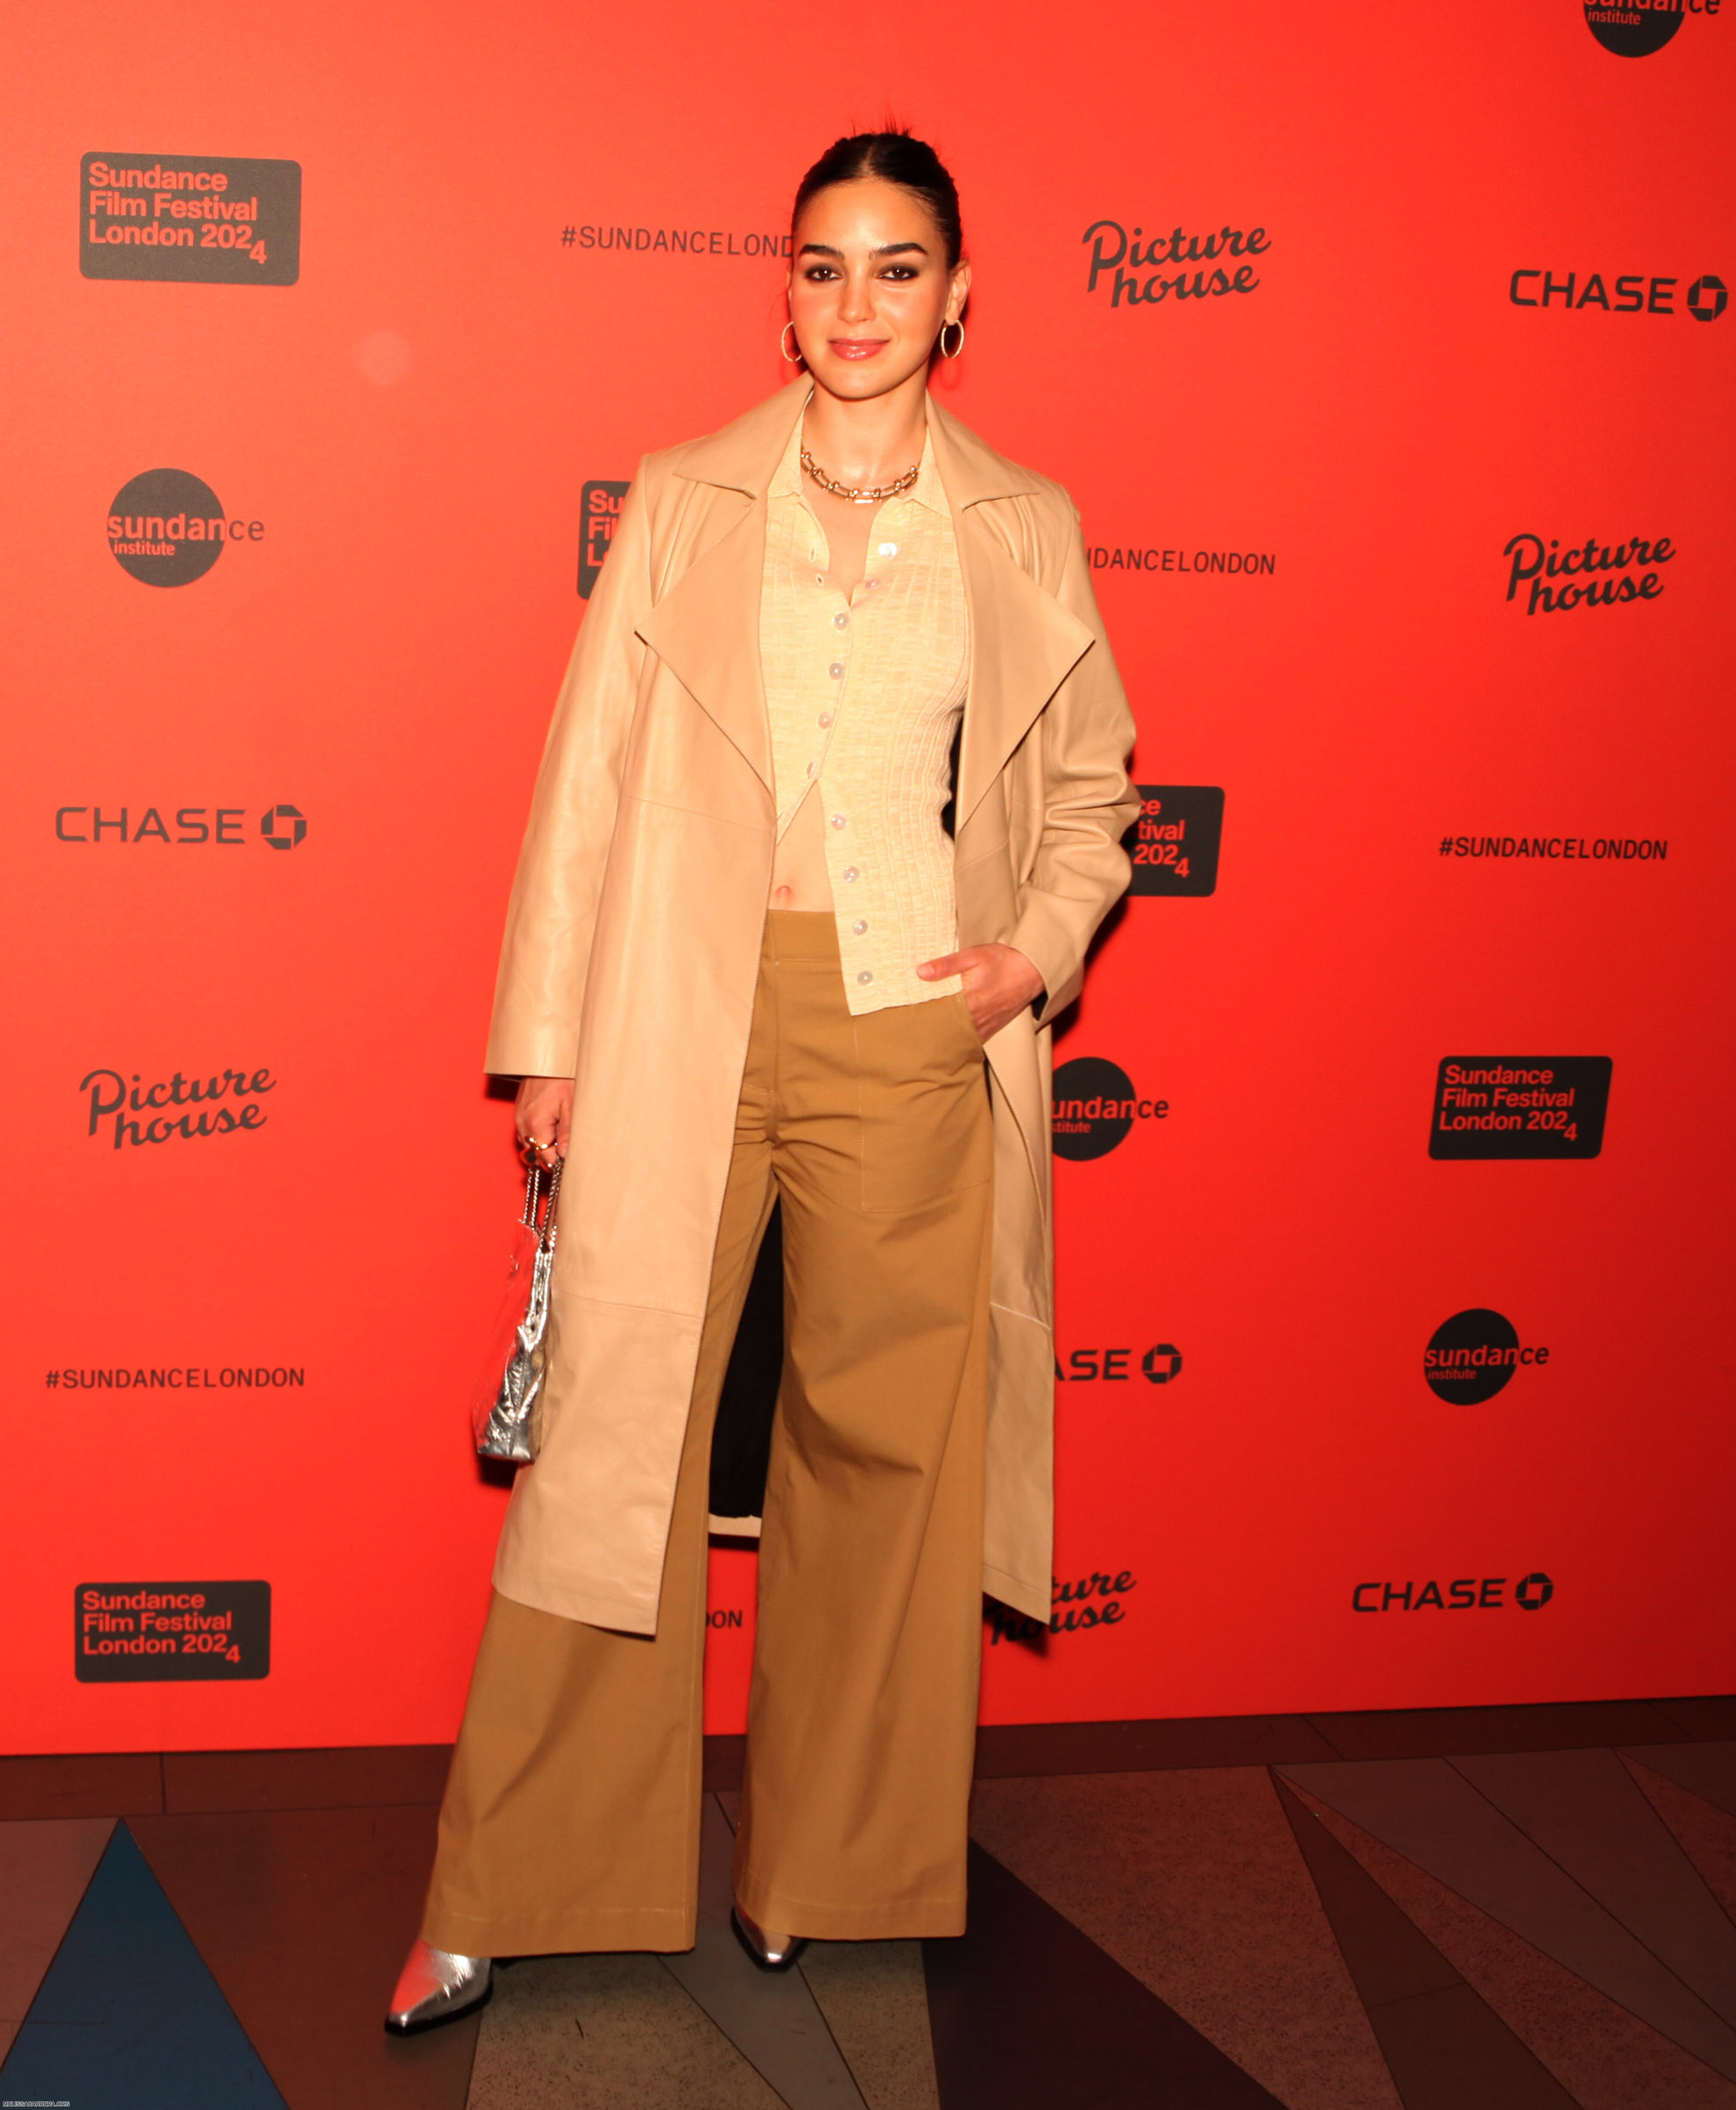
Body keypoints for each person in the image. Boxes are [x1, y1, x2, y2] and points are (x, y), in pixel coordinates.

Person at [387, 126, 1137, 2032]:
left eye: (898, 267)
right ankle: (510, 1885)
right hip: (681, 1016)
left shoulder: (1023, 520)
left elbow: (1094, 792)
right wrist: (553, 1042)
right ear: (783, 290)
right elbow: (587, 775)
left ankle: (830, 1868)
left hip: (910, 1027)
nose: (857, 303)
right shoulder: (686, 496)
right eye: (823, 265)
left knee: (887, 1465)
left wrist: (1032, 954)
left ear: (957, 297)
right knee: (611, 1444)